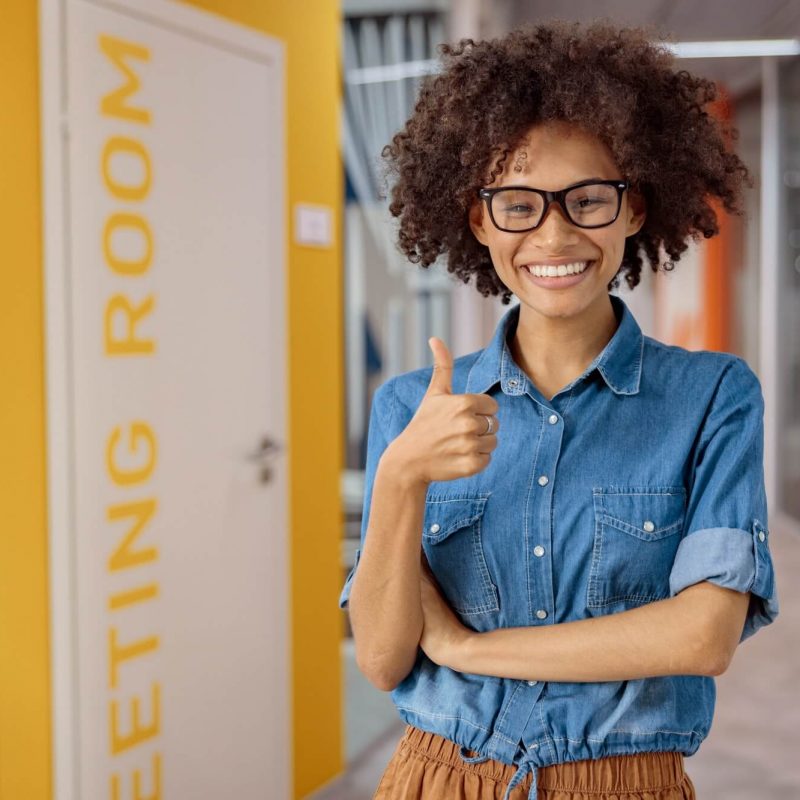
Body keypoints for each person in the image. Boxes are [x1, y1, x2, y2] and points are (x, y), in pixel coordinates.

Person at [339, 18, 780, 800]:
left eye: (586, 199)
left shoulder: (712, 396)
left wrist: (471, 651)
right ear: (480, 220)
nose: (553, 233)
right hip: (440, 778)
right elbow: (382, 659)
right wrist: (403, 475)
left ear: (635, 209)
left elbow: (704, 635)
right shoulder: (411, 406)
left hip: (626, 782)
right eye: (518, 204)